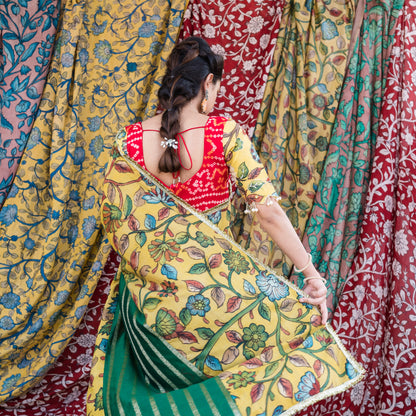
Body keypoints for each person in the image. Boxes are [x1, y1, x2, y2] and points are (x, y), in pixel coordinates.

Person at [86, 37, 363, 416]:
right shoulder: (224, 134)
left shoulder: (130, 140)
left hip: (149, 306)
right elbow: (268, 213)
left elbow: (114, 220)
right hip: (215, 306)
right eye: (217, 86)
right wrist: (310, 273)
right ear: (207, 84)